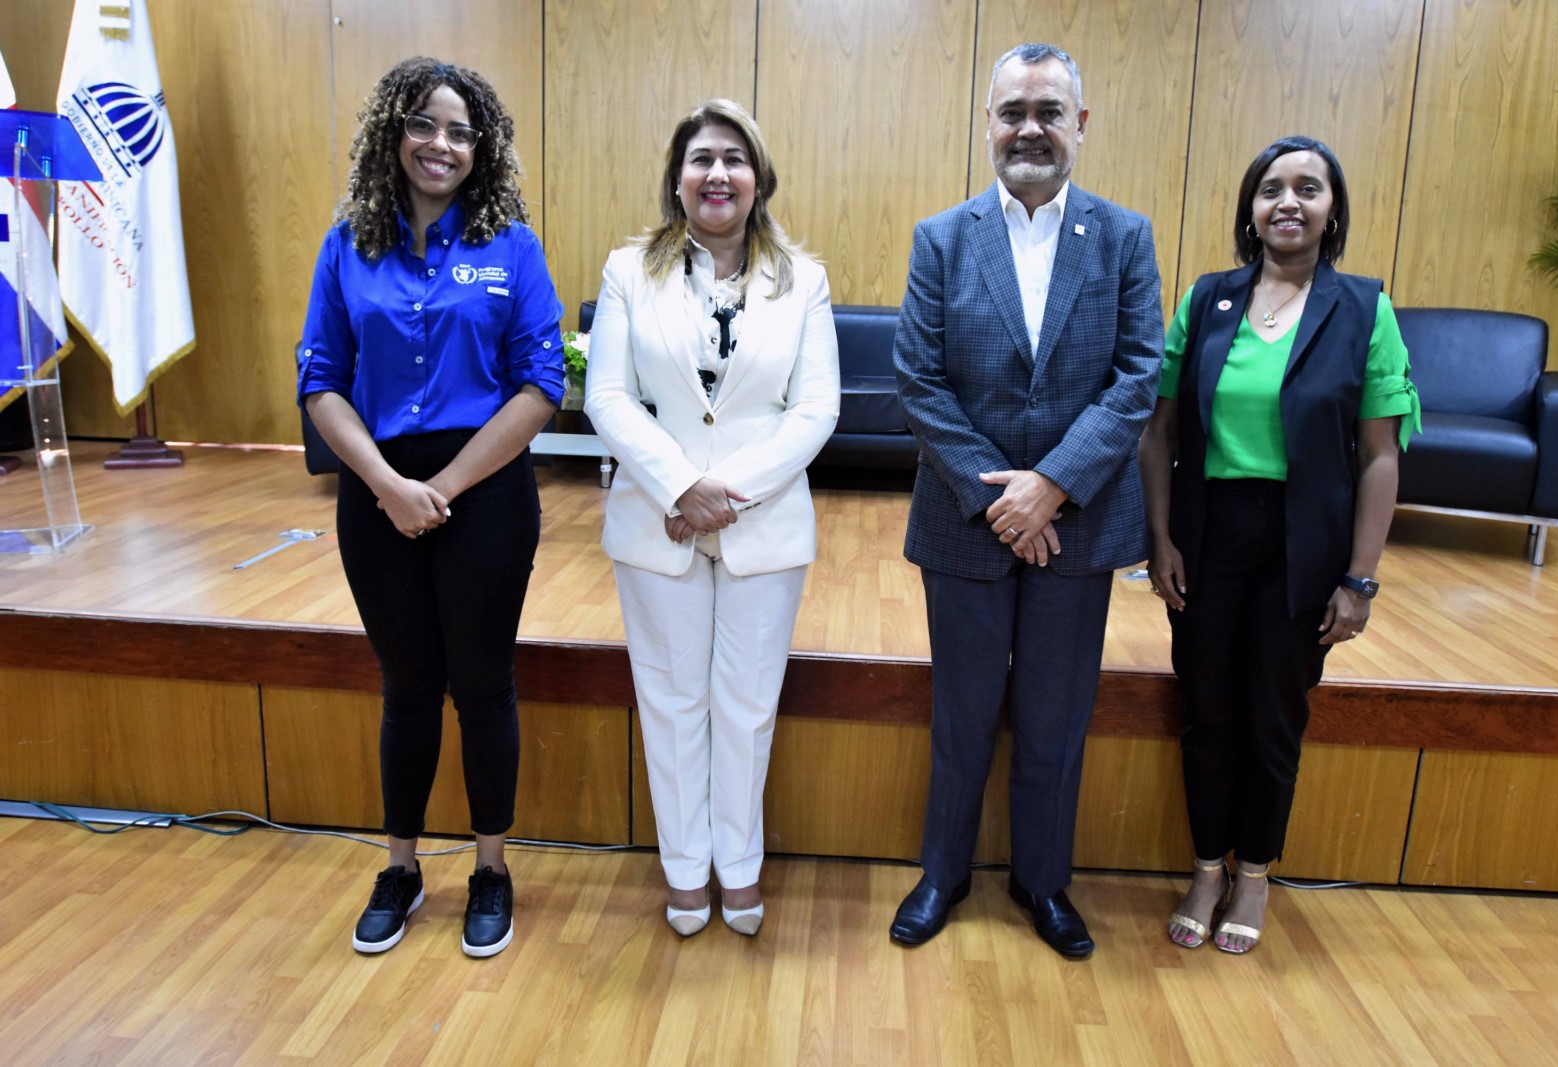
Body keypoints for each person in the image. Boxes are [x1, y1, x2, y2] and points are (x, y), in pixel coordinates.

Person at [889, 43, 1163, 958]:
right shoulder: (942, 236)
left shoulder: (1124, 237)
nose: (1030, 128)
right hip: (965, 524)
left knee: (1055, 718)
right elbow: (919, 380)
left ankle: (1044, 882)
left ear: (1079, 125)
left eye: (1049, 110)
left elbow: (1136, 377)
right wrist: (1000, 497)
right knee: (961, 715)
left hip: (1077, 524)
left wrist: (1051, 487)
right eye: (1013, 111)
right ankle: (944, 872)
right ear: (990, 124)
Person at [298, 57, 564, 958]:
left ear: (480, 148)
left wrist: (441, 489)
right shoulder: (348, 245)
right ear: (393, 134)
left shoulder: (511, 247)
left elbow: (541, 384)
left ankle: (491, 868)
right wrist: (385, 485)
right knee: (407, 686)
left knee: (482, 685)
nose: (440, 145)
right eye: (423, 125)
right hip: (377, 493)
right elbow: (320, 381)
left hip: (482, 492)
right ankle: (402, 867)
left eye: (459, 131)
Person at [1139, 135, 1419, 954]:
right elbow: (1159, 431)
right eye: (1271, 188)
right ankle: (1203, 867)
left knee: (1272, 716)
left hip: (1305, 545)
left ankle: (1254, 872)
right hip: (1210, 534)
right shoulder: (1209, 298)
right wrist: (1159, 537)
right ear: (1250, 208)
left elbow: (1379, 456)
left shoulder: (1365, 307)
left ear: (1333, 210)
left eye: (1309, 188)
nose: (1288, 202)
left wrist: (1359, 580)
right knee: (1207, 710)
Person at [584, 99, 839, 938]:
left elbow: (816, 410)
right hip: (657, 525)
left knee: (747, 705)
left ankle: (740, 867)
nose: (718, 173)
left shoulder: (803, 278)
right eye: (701, 159)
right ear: (677, 178)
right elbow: (609, 396)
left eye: (734, 158)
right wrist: (677, 486)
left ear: (759, 179)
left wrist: (721, 493)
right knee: (670, 701)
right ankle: (685, 869)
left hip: (761, 527)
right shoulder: (630, 271)